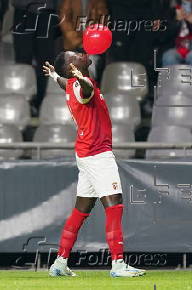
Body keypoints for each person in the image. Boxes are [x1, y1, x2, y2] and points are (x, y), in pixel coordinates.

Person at [42, 51, 145, 277]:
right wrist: (80, 78)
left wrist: (53, 75)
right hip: (98, 155)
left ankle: (59, 263)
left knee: (82, 209)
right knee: (114, 205)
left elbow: (64, 83)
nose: (82, 53)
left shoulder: (69, 84)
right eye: (76, 55)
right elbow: (86, 91)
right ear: (72, 67)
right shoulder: (81, 86)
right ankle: (118, 265)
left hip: (85, 153)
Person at [161, 0, 192, 74]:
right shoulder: (171, 11)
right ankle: (171, 85)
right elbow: (163, 37)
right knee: (169, 57)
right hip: (175, 47)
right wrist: (176, 22)